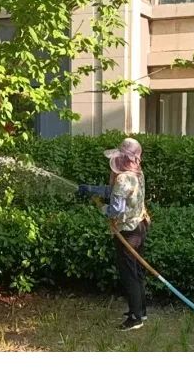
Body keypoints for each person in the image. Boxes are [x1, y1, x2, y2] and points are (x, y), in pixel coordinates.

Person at [77, 137, 151, 331]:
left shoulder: (121, 178)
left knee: (129, 274)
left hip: (127, 232)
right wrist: (92, 189)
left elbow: (116, 210)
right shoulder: (137, 174)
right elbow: (116, 191)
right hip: (141, 226)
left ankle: (135, 318)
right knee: (138, 271)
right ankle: (141, 311)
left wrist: (103, 209)